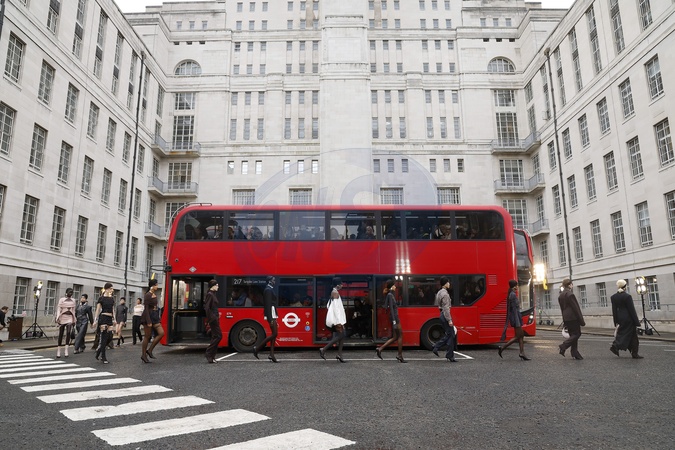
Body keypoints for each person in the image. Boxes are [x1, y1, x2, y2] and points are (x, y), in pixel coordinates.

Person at [497, 280, 530, 360]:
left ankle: (522, 353)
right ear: (514, 286)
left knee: (521, 336)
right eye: (516, 285)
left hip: (516, 317)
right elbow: (514, 310)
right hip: (516, 318)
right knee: (518, 336)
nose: (517, 287)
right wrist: (518, 321)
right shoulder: (513, 295)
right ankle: (502, 348)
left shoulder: (512, 294)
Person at [610, 279, 643, 359]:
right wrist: (637, 322)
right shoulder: (627, 296)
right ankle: (617, 346)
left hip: (620, 318)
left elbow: (614, 310)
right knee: (633, 337)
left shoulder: (614, 297)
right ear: (625, 287)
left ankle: (633, 352)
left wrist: (615, 321)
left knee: (624, 334)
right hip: (628, 318)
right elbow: (631, 310)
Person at [376, 280, 406, 362]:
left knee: (395, 337)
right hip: (395, 318)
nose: (395, 286)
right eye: (394, 285)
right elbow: (391, 309)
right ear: (392, 286)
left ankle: (380, 349)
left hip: (394, 317)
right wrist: (394, 321)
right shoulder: (390, 295)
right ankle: (400, 355)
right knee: (400, 336)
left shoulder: (390, 294)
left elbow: (387, 306)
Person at [320, 277, 347, 363]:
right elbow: (336, 309)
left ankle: (339, 354)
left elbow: (329, 305)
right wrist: (339, 322)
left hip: (337, 319)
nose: (342, 285)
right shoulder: (335, 293)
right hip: (337, 320)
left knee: (342, 334)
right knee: (341, 335)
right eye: (341, 284)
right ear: (338, 285)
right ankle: (324, 349)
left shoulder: (334, 292)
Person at [253, 276, 279, 362]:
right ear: (269, 281)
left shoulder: (269, 289)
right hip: (271, 313)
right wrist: (270, 318)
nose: (274, 281)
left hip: (273, 313)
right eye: (273, 280)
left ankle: (271, 354)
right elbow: (267, 305)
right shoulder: (268, 290)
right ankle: (257, 348)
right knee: (274, 334)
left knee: (274, 334)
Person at [558, 278, 585, 360]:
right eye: (572, 284)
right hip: (573, 317)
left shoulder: (561, 295)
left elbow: (562, 308)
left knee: (573, 335)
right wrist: (581, 320)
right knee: (577, 334)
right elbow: (576, 308)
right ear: (569, 285)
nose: (572, 285)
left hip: (566, 317)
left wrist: (564, 319)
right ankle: (564, 346)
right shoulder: (570, 294)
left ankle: (575, 352)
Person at [431, 277, 456, 362]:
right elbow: (446, 308)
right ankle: (436, 346)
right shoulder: (445, 294)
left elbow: (438, 304)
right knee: (450, 334)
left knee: (450, 334)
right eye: (448, 282)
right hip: (445, 315)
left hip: (442, 314)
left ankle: (449, 355)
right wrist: (449, 320)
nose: (449, 284)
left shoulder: (439, 292)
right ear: (445, 284)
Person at [141, 278, 165, 363]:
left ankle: (150, 350)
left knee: (161, 333)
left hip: (155, 315)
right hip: (148, 316)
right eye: (156, 285)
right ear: (152, 286)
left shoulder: (153, 294)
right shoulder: (148, 295)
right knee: (147, 336)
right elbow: (146, 308)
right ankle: (143, 355)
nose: (157, 286)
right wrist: (148, 321)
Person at [92, 283, 116, 364]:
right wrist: (95, 320)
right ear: (106, 289)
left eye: (112, 289)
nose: (112, 290)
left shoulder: (112, 299)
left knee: (110, 337)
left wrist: (114, 319)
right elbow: (98, 310)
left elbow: (113, 309)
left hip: (110, 318)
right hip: (103, 318)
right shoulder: (101, 298)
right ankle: (103, 357)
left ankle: (99, 350)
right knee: (104, 337)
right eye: (110, 288)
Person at [54, 288, 77, 358]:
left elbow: (73, 310)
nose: (71, 293)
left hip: (70, 317)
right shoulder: (62, 299)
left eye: (72, 292)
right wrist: (57, 317)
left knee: (68, 332)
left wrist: (74, 319)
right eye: (69, 292)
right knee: (61, 333)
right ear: (66, 293)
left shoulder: (73, 300)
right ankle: (58, 350)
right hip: (62, 317)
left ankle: (66, 349)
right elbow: (59, 309)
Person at [204, 279, 222, 363]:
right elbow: (207, 308)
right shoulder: (210, 295)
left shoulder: (213, 294)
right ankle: (209, 353)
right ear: (213, 286)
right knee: (218, 336)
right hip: (213, 319)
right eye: (217, 285)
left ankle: (212, 356)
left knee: (216, 336)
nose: (218, 287)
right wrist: (213, 317)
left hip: (215, 318)